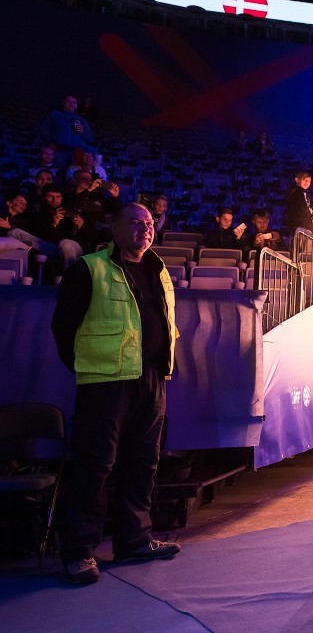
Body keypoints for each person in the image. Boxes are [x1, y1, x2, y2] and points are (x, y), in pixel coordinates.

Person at [50, 202, 181, 585]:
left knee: (144, 462)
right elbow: (63, 328)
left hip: (152, 378)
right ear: (115, 227)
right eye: (136, 222)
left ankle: (134, 539)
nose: (145, 228)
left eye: (150, 223)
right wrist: (85, 366)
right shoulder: (90, 268)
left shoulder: (158, 269)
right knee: (95, 464)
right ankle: (79, 552)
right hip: (105, 382)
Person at [38, 94, 98, 166]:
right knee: (58, 172)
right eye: (68, 101)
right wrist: (49, 143)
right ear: (63, 102)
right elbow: (44, 130)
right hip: (59, 151)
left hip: (76, 153)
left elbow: (90, 138)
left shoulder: (81, 119)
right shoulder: (53, 115)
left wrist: (82, 132)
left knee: (74, 174)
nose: (71, 104)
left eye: (74, 102)